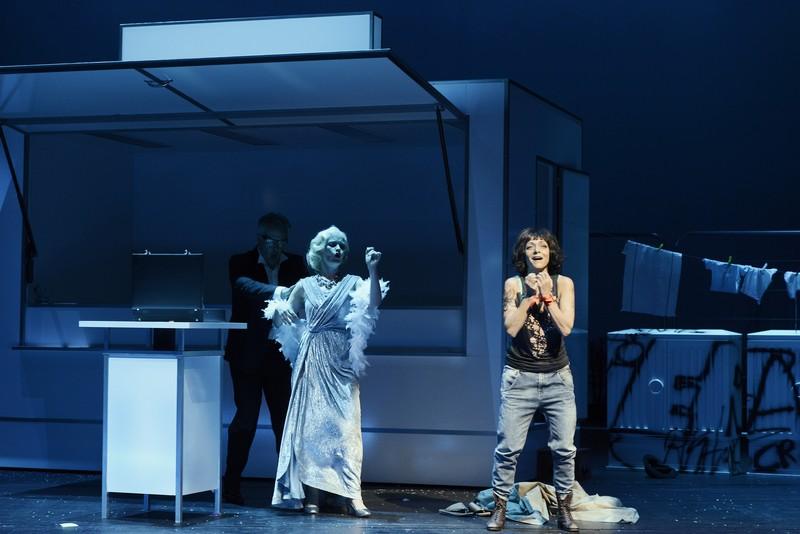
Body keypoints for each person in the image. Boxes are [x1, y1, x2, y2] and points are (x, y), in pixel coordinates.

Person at [265, 225, 388, 517]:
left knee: (347, 431)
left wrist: (372, 269)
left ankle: (352, 495)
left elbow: (373, 304)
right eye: (332, 245)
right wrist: (279, 310)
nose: (338, 250)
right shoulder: (304, 285)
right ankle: (313, 496)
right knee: (313, 431)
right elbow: (282, 318)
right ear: (320, 251)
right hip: (312, 361)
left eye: (342, 246)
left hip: (341, 361)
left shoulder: (353, 282)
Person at [487, 228, 579, 533]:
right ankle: (499, 507)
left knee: (564, 449)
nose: (537, 251)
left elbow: (566, 327)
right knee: (508, 448)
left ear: (551, 253)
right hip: (520, 378)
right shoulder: (512, 285)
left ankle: (564, 510)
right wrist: (528, 298)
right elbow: (511, 328)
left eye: (543, 246)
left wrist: (548, 296)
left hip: (557, 378)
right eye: (530, 246)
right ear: (522, 254)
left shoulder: (564, 284)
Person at [222, 213, 308, 505]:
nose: (278, 248)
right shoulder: (240, 262)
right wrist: (281, 291)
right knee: (245, 420)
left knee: (284, 422)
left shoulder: (296, 264)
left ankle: (288, 487)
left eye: (283, 242)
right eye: (273, 241)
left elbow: (306, 297)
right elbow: (246, 287)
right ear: (260, 239)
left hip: (280, 355)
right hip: (247, 355)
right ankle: (231, 484)